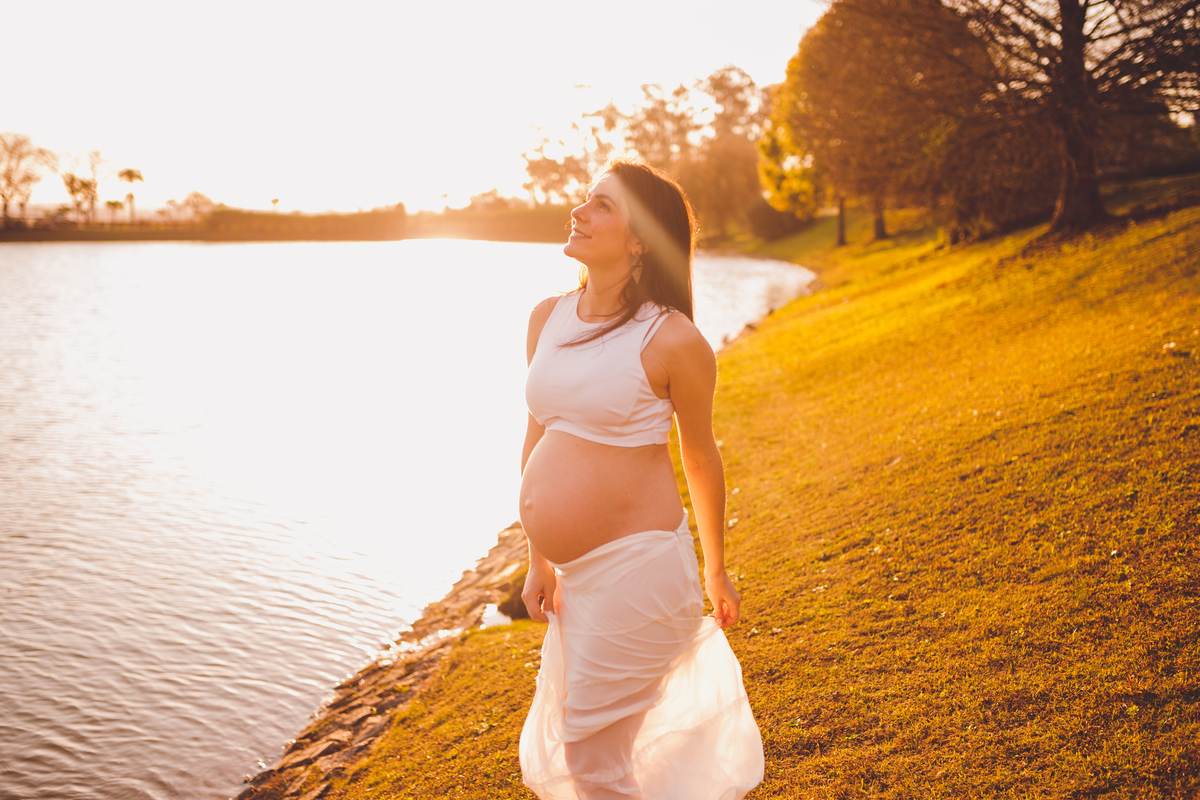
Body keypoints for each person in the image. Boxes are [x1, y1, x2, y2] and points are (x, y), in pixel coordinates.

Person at [518, 157, 763, 800]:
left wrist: (715, 566)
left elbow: (701, 458)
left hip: (638, 571)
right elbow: (537, 432)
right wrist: (538, 560)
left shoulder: (672, 339)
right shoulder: (547, 317)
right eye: (586, 198)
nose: (580, 211)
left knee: (592, 760)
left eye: (603, 205)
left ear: (639, 240)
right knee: (597, 759)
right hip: (575, 580)